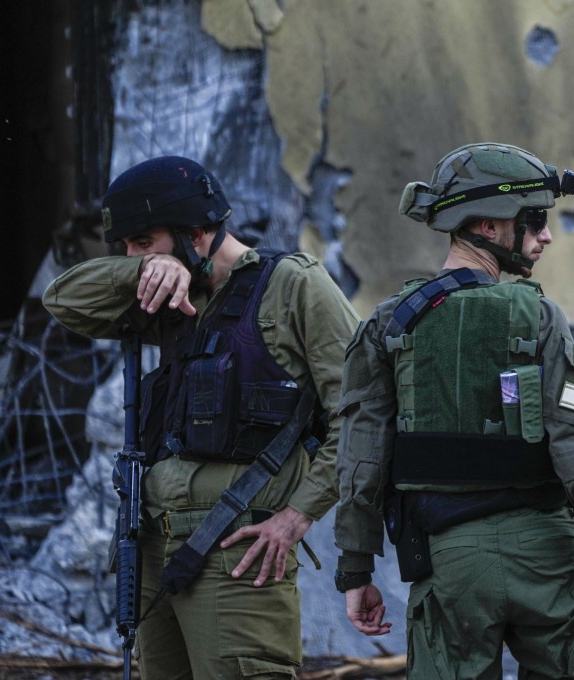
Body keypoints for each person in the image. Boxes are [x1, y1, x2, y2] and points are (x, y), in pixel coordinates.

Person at [332, 142, 574, 679]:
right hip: (549, 561)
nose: (546, 235)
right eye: (534, 220)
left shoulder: (389, 325)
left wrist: (356, 568)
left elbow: (360, 462)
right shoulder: (542, 318)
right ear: (486, 225)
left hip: (452, 567)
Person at [43, 155, 360, 680]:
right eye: (125, 246)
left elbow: (359, 413)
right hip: (151, 544)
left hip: (237, 549)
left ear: (196, 232)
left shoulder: (292, 286)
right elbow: (65, 300)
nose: (131, 254)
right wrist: (142, 267)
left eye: (143, 242)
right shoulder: (171, 298)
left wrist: (298, 515)